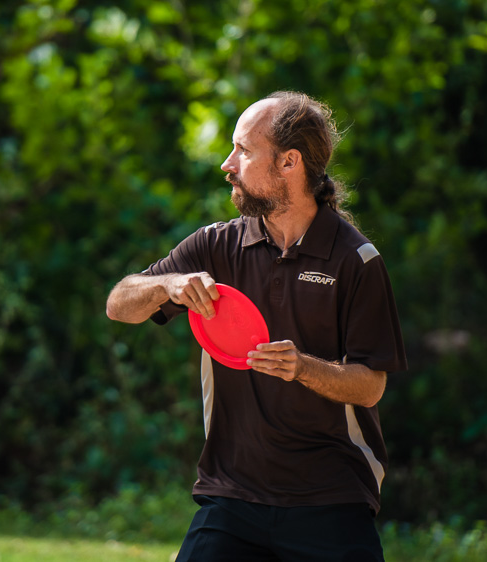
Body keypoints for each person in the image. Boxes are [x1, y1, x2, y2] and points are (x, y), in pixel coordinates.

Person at [106, 91, 407, 561]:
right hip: (232, 495)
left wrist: (301, 367)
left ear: (290, 162)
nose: (228, 164)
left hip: (331, 497)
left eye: (244, 151)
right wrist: (168, 285)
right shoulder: (214, 246)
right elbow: (118, 303)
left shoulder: (357, 261)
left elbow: (370, 386)